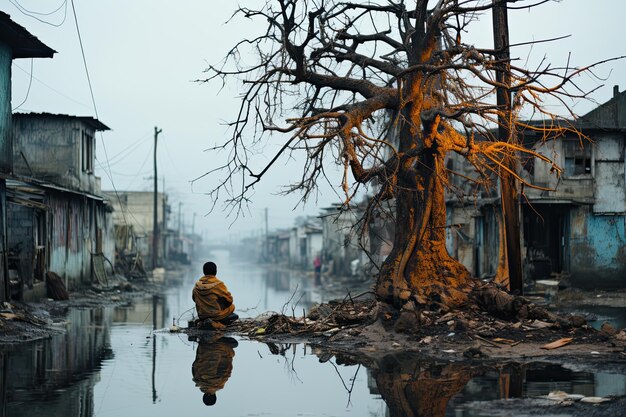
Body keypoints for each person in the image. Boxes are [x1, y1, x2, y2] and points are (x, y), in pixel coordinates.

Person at [191, 335, 238, 406]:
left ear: (215, 396)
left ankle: (217, 338)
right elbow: (196, 361)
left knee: (235, 344)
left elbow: (228, 364)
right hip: (204, 344)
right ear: (203, 396)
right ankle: (210, 337)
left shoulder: (219, 383)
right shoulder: (196, 378)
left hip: (219, 345)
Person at [192, 262, 238, 329]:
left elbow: (194, 299)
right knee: (232, 307)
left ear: (203, 272)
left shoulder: (197, 286)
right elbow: (229, 301)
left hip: (202, 315)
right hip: (216, 316)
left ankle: (205, 322)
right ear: (216, 271)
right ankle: (215, 323)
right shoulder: (219, 285)